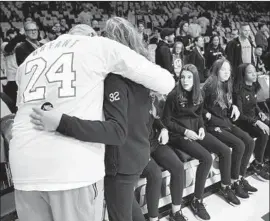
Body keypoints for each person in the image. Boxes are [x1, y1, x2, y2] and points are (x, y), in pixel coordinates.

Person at [10, 22, 175, 221]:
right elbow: (166, 83)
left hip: (25, 167)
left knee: (124, 210)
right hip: (87, 164)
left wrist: (60, 121)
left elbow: (117, 129)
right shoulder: (102, 53)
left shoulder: (33, 57)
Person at [163, 64, 240, 221]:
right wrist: (185, 131)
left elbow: (198, 115)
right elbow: (166, 121)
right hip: (178, 134)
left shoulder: (199, 95)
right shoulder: (173, 96)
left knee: (225, 150)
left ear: (195, 78)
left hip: (196, 131)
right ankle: (197, 200)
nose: (185, 80)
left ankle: (226, 187)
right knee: (206, 157)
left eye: (189, 77)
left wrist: (202, 128)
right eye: (183, 77)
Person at [202, 58, 257, 199]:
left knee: (249, 141)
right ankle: (227, 185)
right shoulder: (210, 85)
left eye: (228, 70)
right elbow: (198, 105)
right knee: (239, 145)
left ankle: (238, 178)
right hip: (213, 125)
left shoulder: (227, 84)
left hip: (226, 122)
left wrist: (235, 106)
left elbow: (230, 102)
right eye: (223, 70)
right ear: (216, 70)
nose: (227, 72)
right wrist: (207, 115)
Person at [140, 92, 187, 221]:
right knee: (155, 174)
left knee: (178, 166)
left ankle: (176, 212)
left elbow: (155, 119)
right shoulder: (131, 96)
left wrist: (163, 129)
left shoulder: (152, 97)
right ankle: (153, 218)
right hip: (138, 145)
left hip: (153, 141)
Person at [233, 63, 269, 180]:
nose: (254, 74)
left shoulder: (253, 86)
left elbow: (254, 104)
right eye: (250, 72)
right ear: (243, 75)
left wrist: (259, 112)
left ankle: (266, 159)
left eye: (254, 71)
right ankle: (257, 164)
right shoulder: (238, 91)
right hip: (243, 122)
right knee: (263, 132)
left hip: (253, 118)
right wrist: (256, 122)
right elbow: (240, 115)